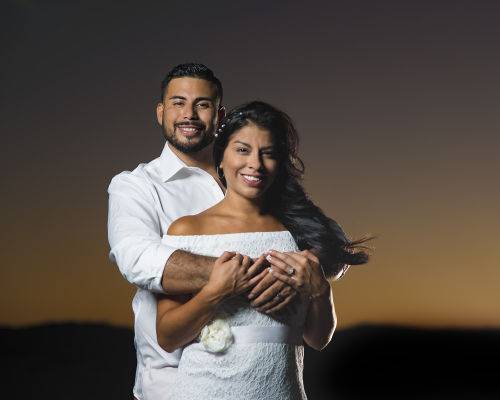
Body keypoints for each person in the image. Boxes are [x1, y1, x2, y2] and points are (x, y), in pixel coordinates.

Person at [107, 64, 305, 400]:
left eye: (202, 104)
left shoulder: (251, 174)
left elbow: (318, 243)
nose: (189, 115)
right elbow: (137, 259)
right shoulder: (136, 186)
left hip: (267, 381)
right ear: (160, 112)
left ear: (220, 115)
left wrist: (311, 270)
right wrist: (246, 276)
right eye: (178, 103)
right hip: (169, 382)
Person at [156, 101, 369, 399]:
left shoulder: (296, 233)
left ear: (280, 164)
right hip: (201, 390)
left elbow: (318, 339)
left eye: (268, 153)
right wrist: (215, 292)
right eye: (242, 150)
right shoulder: (186, 231)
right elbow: (167, 336)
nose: (255, 163)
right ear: (221, 157)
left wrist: (320, 291)